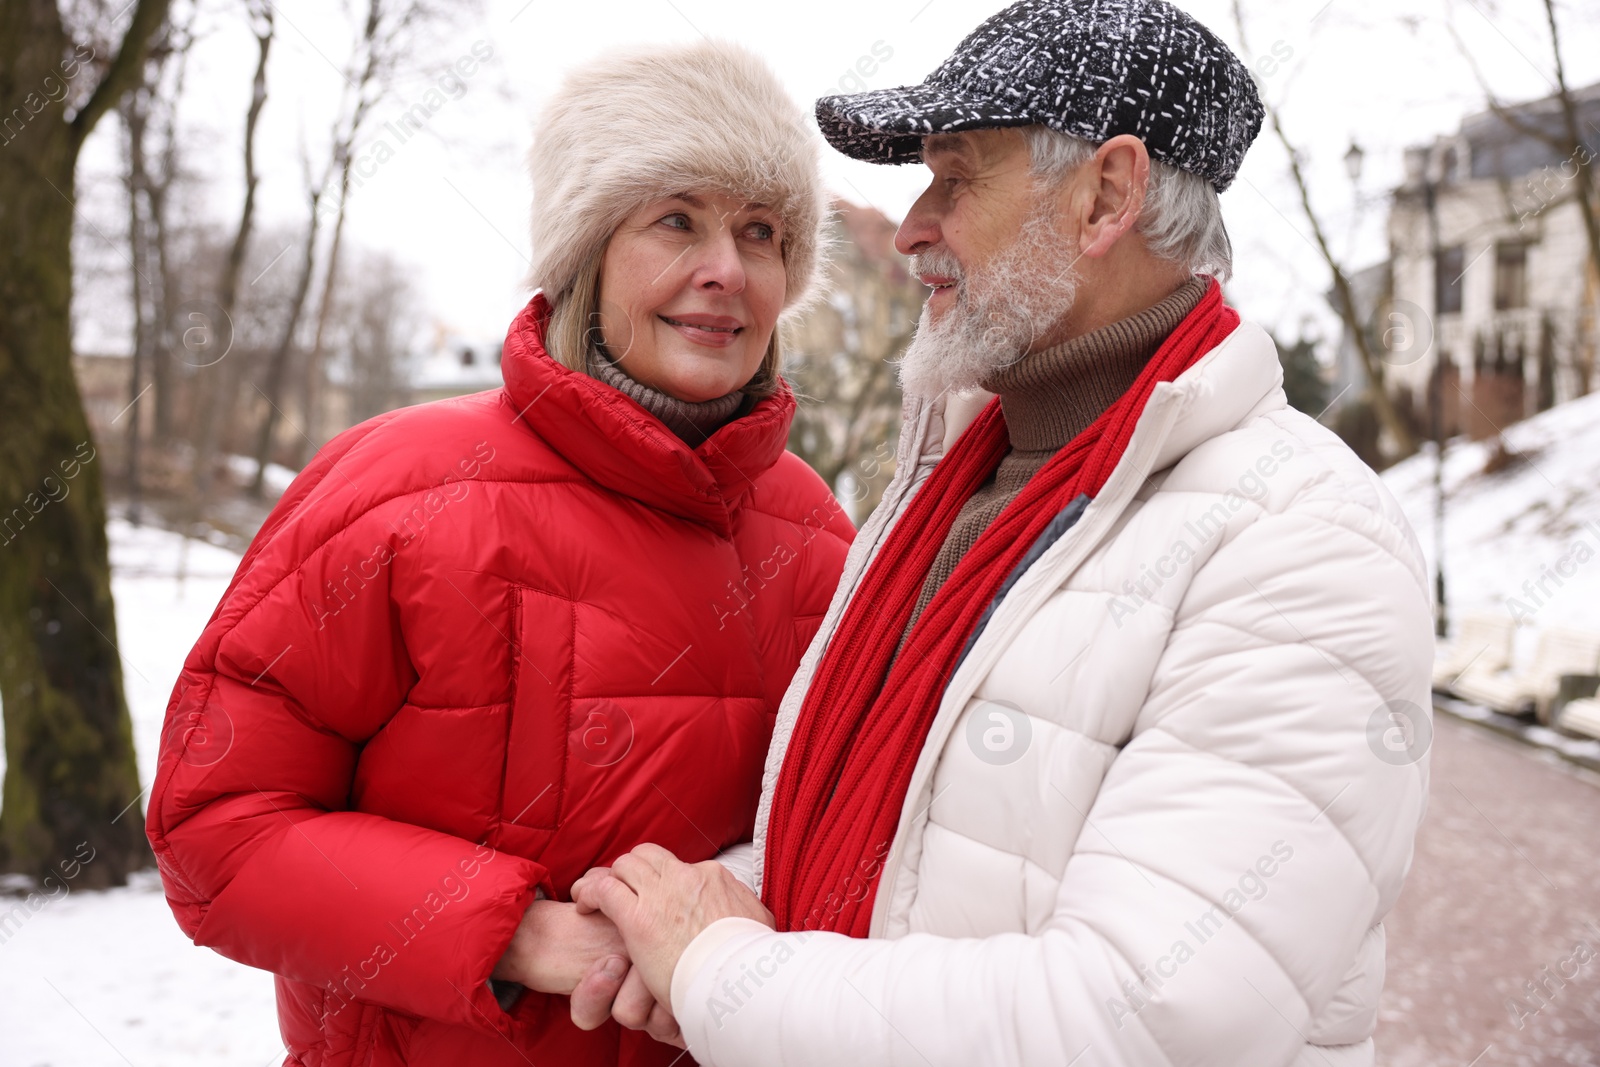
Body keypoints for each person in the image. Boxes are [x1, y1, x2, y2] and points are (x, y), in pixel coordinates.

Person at [568, 2, 1435, 1064]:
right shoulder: (958, 482)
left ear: (1105, 197)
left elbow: (1147, 1015)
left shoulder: (1302, 537)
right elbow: (905, 853)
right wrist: (699, 917)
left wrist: (722, 970)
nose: (914, 226)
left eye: (956, 174)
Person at [144, 40, 851, 1067]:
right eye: (675, 219)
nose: (725, 270)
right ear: (584, 252)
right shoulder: (400, 487)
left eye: (762, 231)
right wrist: (514, 931)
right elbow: (217, 830)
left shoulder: (814, 532)